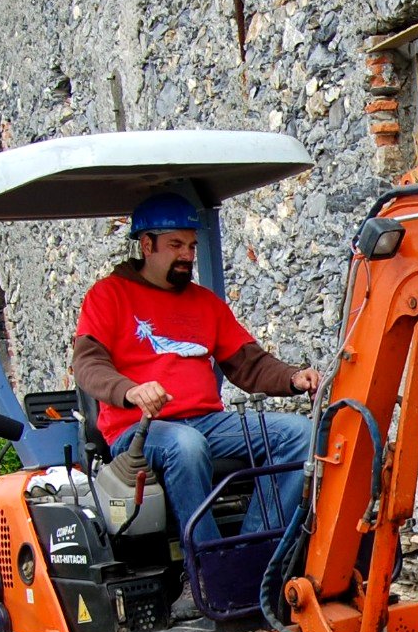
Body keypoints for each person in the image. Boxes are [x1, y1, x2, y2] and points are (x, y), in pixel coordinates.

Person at [70, 193, 321, 543]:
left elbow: (248, 362)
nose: (187, 255)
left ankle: (255, 548)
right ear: (146, 245)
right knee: (186, 445)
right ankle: (208, 558)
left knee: (300, 433)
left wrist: (292, 377)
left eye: (191, 246)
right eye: (176, 245)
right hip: (140, 429)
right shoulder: (108, 295)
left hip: (206, 423)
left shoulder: (205, 302)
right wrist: (130, 391)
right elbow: (87, 363)